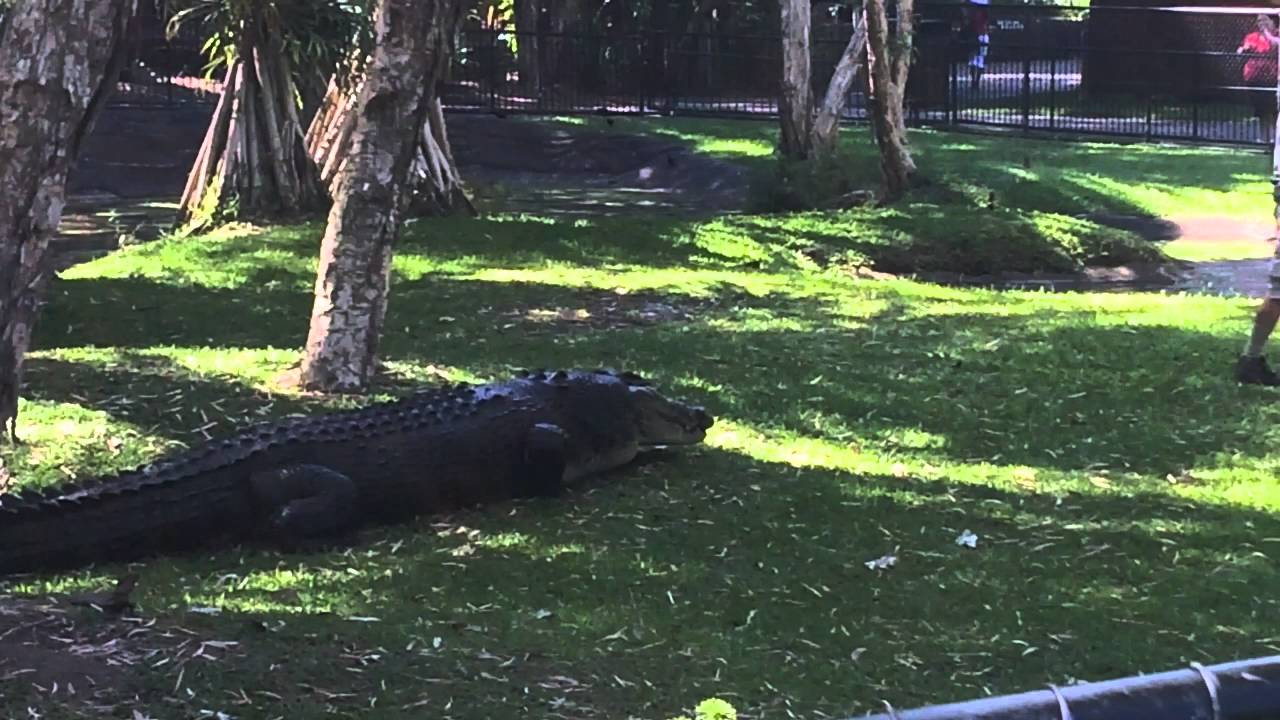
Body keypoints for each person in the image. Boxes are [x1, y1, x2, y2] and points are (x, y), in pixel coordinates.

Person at [1237, 14, 1280, 143]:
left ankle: (1274, 138)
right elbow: (1243, 48)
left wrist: (1267, 33)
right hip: (1254, 78)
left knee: (1273, 110)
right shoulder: (1252, 37)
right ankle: (1264, 138)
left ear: (1273, 22)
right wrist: (1242, 50)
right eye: (1259, 21)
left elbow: (1275, 47)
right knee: (1261, 111)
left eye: (1264, 20)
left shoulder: (1277, 35)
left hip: (1272, 78)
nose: (1261, 23)